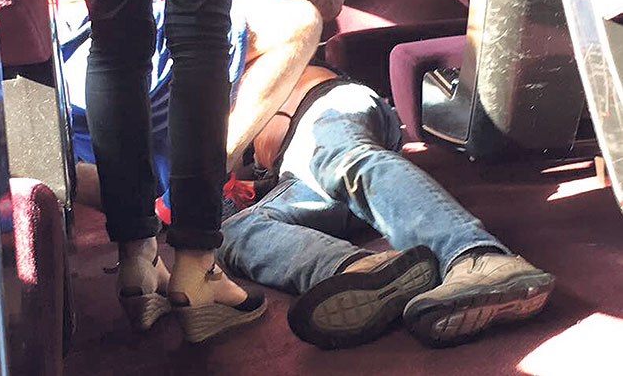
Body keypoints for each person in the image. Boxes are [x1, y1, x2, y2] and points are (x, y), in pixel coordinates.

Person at [46, 0, 343, 341]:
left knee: (114, 39)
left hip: (66, 64)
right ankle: (197, 268)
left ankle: (138, 263)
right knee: (201, 35)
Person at [216, 61, 556, 349]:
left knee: (340, 159)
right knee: (233, 231)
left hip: (325, 107)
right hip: (294, 174)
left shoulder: (238, 37)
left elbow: (302, 10)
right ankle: (360, 271)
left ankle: (477, 256)